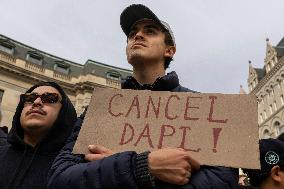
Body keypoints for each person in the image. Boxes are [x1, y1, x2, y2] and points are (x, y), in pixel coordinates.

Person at [48, 4, 238, 189]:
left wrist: (115, 166)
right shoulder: (101, 109)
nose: (137, 35)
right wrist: (141, 166)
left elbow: (223, 180)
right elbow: (60, 178)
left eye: (150, 31)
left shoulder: (203, 109)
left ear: (169, 50)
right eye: (132, 34)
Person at [0, 82, 77, 189]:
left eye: (49, 98)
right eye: (30, 98)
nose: (36, 102)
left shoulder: (73, 169)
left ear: (64, 112)